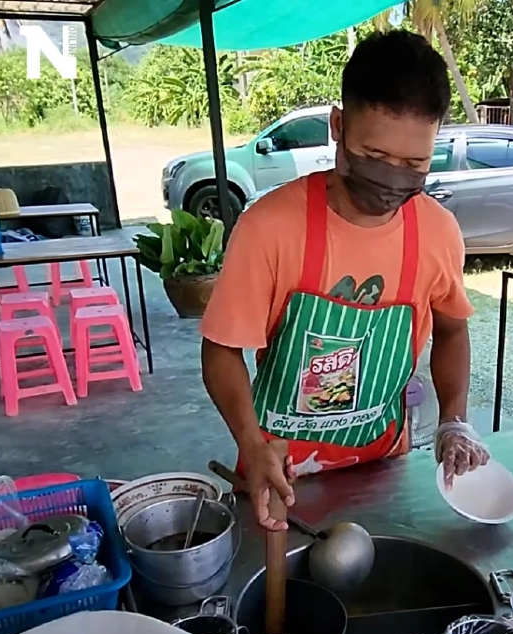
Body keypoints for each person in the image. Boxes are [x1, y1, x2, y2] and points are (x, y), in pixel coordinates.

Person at [200, 30, 488, 532]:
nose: (393, 178)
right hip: (278, 472)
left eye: (414, 164)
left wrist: (453, 420)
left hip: (382, 469)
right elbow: (221, 349)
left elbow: (452, 328)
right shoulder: (269, 226)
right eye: (375, 156)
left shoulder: (437, 232)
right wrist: (250, 441)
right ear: (338, 125)